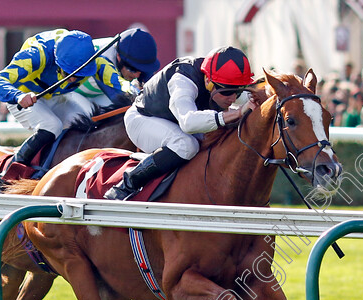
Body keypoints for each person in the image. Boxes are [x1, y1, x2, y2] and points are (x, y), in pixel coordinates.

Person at [104, 45, 257, 200]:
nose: (233, 98)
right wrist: (236, 113)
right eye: (227, 92)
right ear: (209, 81)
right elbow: (188, 123)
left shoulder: (220, 82)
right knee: (187, 145)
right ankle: (127, 184)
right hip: (143, 120)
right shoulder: (182, 80)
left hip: (173, 122)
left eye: (237, 91)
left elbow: (251, 98)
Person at [0, 29, 97, 173]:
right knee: (52, 125)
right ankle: (8, 174)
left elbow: (116, 85)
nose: (72, 79)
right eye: (68, 72)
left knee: (83, 122)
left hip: (55, 97)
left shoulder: (92, 58)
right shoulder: (36, 54)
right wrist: (18, 96)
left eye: (79, 75)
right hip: (23, 99)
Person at [75, 27, 160, 109]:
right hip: (73, 93)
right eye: (132, 69)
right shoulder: (103, 57)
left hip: (98, 94)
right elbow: (119, 98)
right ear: (119, 57)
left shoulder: (128, 54)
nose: (137, 75)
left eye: (142, 70)